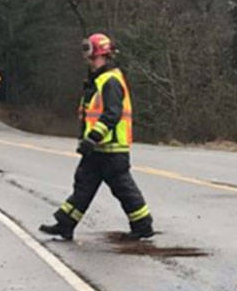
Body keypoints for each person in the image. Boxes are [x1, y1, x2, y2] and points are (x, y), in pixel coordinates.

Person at [40, 33, 154, 241]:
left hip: (111, 149)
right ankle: (65, 224)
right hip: (98, 149)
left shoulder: (110, 81)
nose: (91, 62)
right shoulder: (98, 80)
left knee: (123, 189)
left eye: (94, 58)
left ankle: (143, 226)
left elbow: (112, 113)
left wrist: (92, 137)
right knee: (83, 186)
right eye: (89, 59)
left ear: (105, 57)